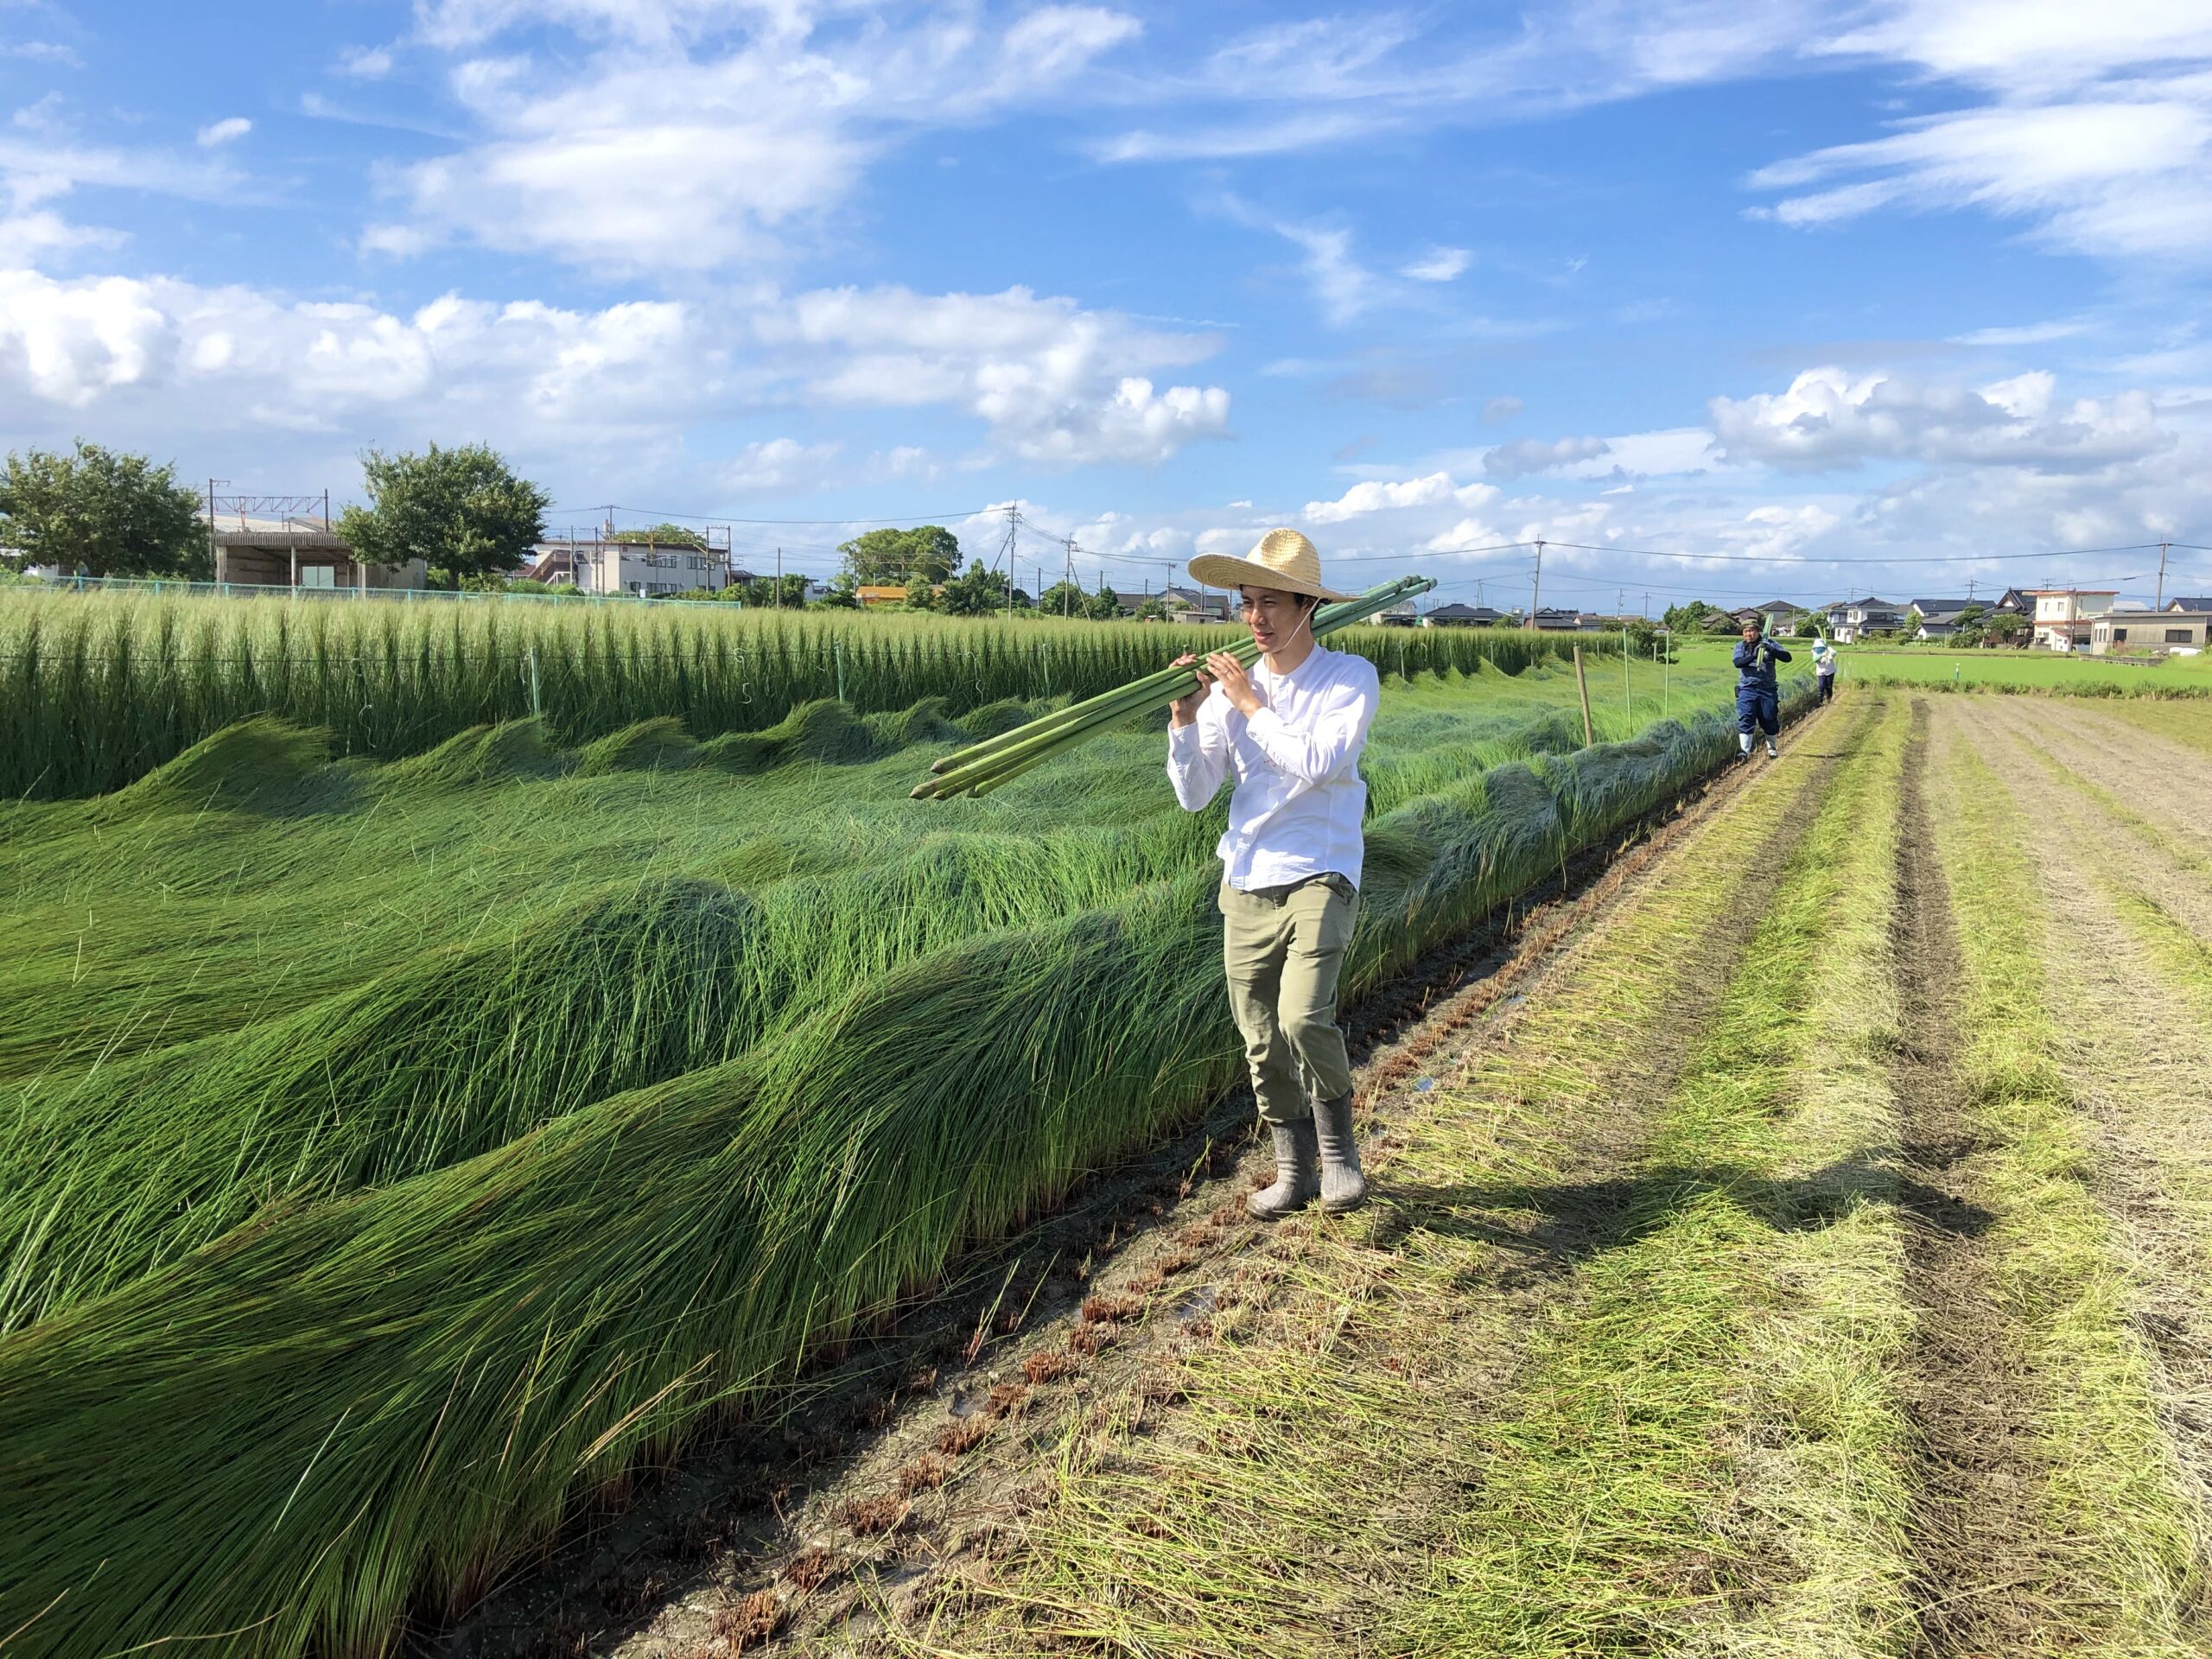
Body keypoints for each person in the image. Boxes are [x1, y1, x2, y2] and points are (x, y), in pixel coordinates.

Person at [1166, 528, 1379, 1220]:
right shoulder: (1229, 694)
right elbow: (1197, 793)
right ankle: (1293, 1171)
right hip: (1248, 874)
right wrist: (1184, 717)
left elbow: (1319, 762)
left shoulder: (1348, 678)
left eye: (1270, 605)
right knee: (1259, 1034)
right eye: (1246, 604)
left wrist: (1251, 704)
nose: (1255, 620)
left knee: (1301, 1015)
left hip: (1321, 869)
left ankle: (1340, 1154)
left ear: (1307, 607)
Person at [1733, 616, 1792, 760]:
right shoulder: (1740, 647)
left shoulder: (1770, 643)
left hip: (1767, 689)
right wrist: (1754, 655)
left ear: (1758, 631)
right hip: (1747, 688)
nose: (1749, 634)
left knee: (1769, 717)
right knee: (1746, 717)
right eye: (1746, 631)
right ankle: (1744, 751)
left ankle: (1772, 748)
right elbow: (1738, 663)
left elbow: (1787, 657)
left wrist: (1771, 649)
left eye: (1752, 631)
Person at [1813, 633, 1839, 703]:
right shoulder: (1815, 651)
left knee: (1829, 687)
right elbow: (1815, 659)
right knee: (1821, 686)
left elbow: (1834, 653)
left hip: (1830, 671)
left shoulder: (1828, 650)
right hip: (1821, 672)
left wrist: (1828, 648)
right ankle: (1819, 702)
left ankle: (1829, 699)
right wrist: (1822, 655)